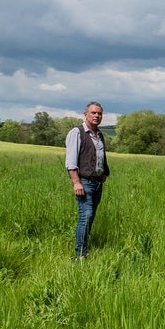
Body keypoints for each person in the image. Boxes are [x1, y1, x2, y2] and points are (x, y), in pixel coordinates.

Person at [65, 101, 110, 261]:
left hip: (98, 182)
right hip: (84, 182)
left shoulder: (100, 135)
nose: (97, 115)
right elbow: (71, 161)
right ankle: (81, 255)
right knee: (86, 215)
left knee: (90, 216)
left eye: (99, 113)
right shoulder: (77, 133)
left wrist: (104, 172)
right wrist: (76, 182)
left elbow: (101, 156)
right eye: (93, 113)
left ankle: (84, 246)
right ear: (85, 115)